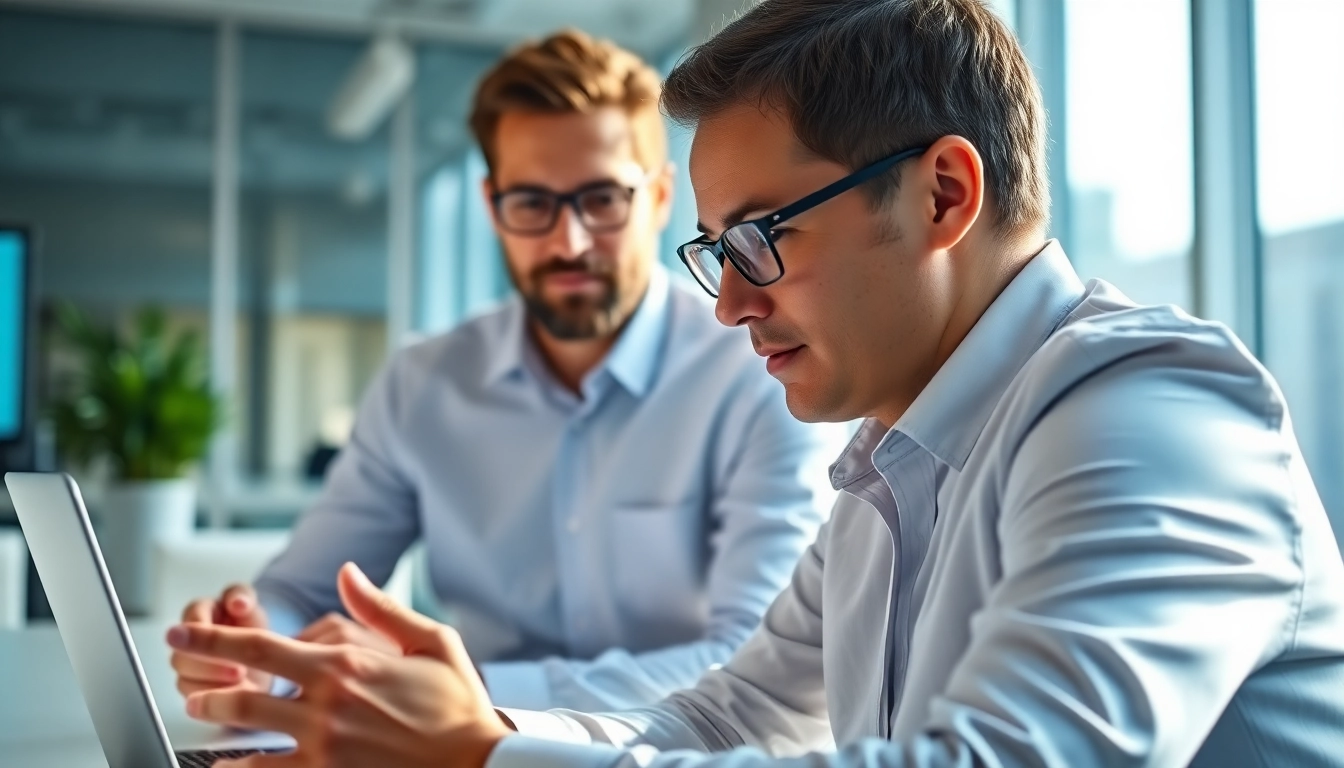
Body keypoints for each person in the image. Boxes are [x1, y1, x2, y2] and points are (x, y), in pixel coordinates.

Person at [164, 1, 1344, 766]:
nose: (728, 302)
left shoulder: (1153, 411)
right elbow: (730, 716)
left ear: (943, 194)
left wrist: (482, 756)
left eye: (761, 238)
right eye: (719, 253)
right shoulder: (897, 460)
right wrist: (456, 732)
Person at [167, 28, 836, 713]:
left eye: (603, 199)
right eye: (532, 204)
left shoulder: (759, 374)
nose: (569, 241)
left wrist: (461, 691)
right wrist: (257, 649)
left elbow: (757, 668)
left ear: (661, 199)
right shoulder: (423, 385)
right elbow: (303, 592)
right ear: (493, 208)